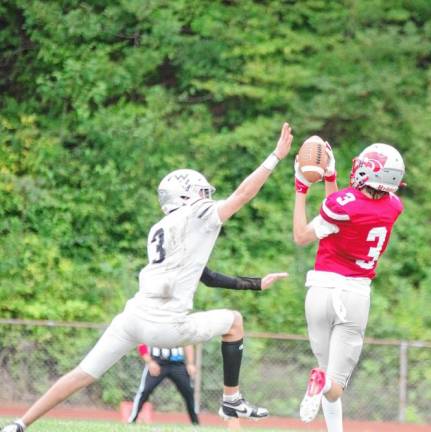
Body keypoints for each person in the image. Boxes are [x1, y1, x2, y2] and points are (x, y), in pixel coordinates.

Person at [1, 122, 294, 432]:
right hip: (167, 325)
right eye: (199, 192)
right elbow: (243, 194)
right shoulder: (196, 215)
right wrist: (275, 156)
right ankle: (231, 398)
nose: (205, 197)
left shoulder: (160, 228)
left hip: (133, 317)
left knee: (82, 373)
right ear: (184, 196)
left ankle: (19, 424)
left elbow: (203, 275)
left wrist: (256, 283)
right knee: (234, 321)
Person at [292, 138, 405, 432]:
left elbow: (302, 236)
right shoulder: (394, 206)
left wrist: (301, 188)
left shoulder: (343, 205)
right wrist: (331, 178)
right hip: (355, 295)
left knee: (329, 376)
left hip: (321, 290)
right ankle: (322, 382)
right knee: (334, 383)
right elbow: (344, 208)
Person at [129, 267, 288, 425]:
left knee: (189, 394)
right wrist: (149, 361)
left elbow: (209, 277)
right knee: (144, 391)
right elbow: (141, 337)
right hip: (158, 359)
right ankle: (132, 421)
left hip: (177, 357)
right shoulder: (154, 291)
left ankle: (198, 423)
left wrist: (256, 283)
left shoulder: (188, 263)